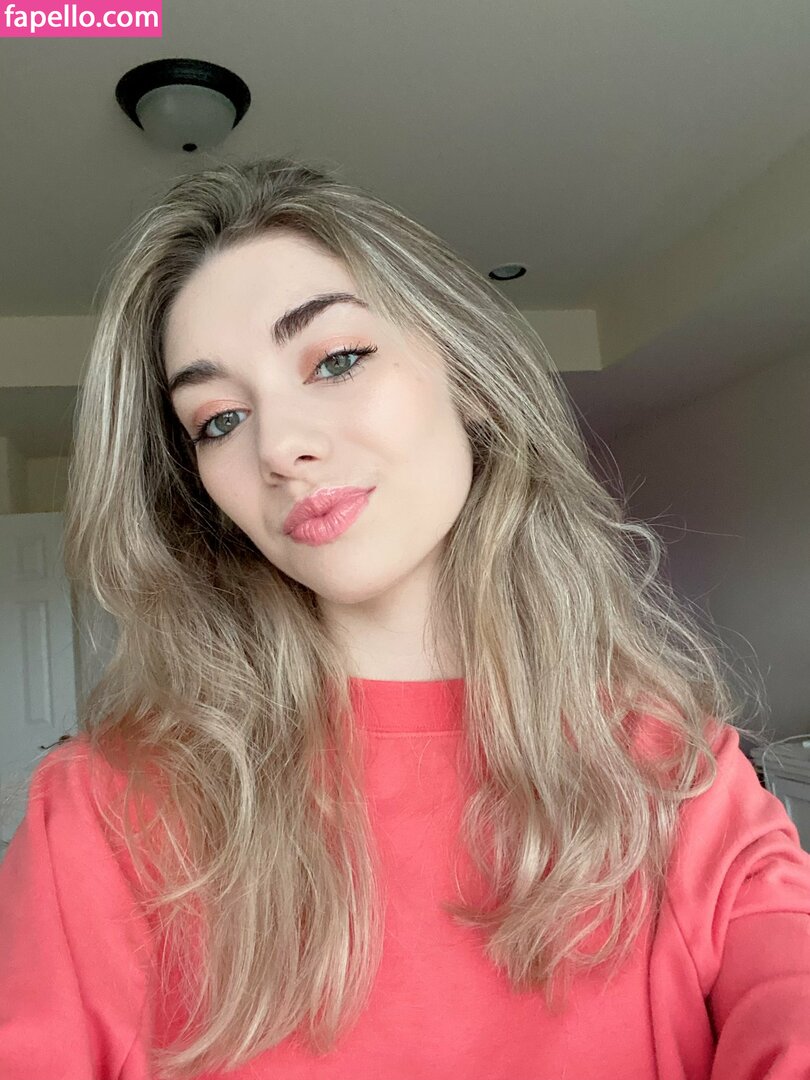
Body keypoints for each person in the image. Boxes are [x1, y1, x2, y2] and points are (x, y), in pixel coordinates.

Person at [0, 156, 808, 1080]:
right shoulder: (103, 814)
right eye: (218, 419)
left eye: (336, 360)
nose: (280, 447)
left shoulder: (676, 774)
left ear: (469, 378)